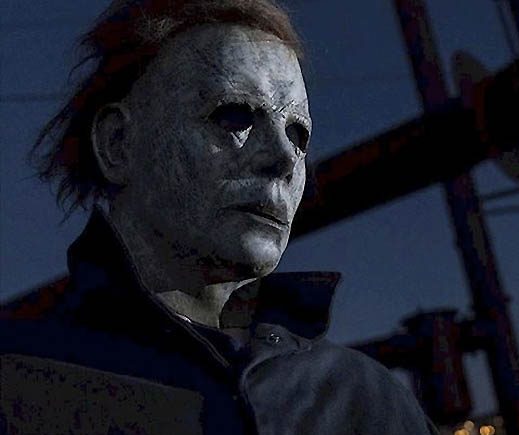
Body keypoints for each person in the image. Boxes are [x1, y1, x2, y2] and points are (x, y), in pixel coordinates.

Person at [0, 1, 438, 434]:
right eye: (234, 115)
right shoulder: (19, 379)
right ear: (118, 143)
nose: (285, 158)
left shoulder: (366, 400)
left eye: (298, 134)